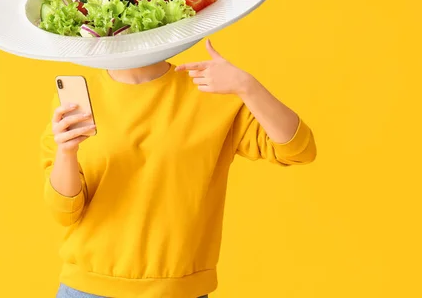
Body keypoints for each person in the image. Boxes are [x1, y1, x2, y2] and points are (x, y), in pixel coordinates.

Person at [40, 39, 317, 298]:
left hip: (180, 290)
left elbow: (298, 150)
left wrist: (247, 86)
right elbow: (63, 212)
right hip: (87, 289)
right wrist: (67, 151)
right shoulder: (78, 102)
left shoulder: (211, 92)